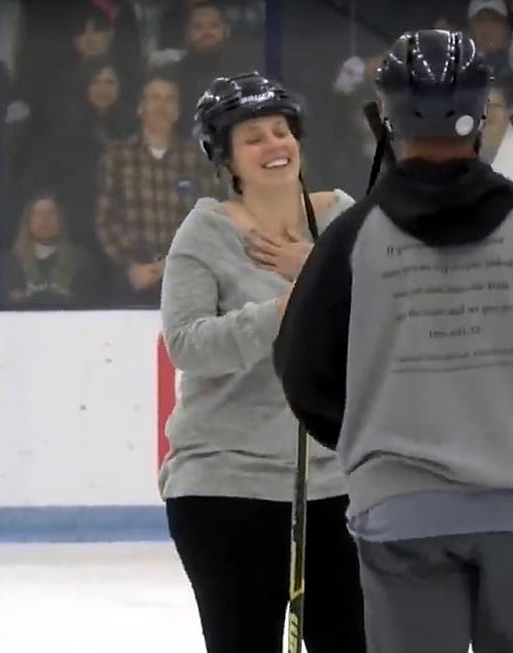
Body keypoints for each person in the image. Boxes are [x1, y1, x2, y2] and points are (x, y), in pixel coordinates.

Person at [274, 29, 513, 653]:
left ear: (388, 113)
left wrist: (375, 437)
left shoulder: (350, 241)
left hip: (400, 508)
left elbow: (302, 373)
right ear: (481, 111)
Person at [158, 71, 366, 652]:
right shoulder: (204, 233)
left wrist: (321, 270)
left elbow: (385, 321)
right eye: (254, 137)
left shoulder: (342, 219)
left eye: (282, 131)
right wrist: (288, 307)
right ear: (225, 157)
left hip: (338, 486)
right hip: (227, 488)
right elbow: (188, 344)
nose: (275, 145)